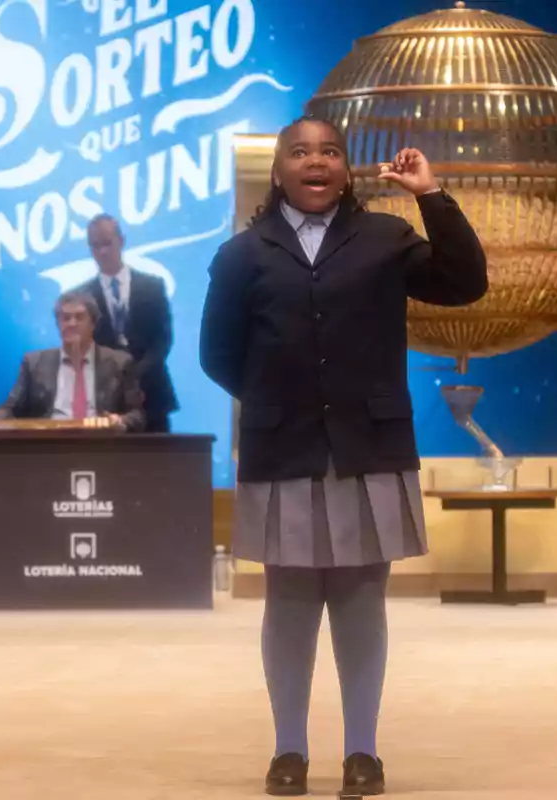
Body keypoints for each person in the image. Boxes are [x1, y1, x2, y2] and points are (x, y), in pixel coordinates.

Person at [199, 115, 487, 798]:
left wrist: (429, 194)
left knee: (362, 603)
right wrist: (282, 396)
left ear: (348, 170)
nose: (316, 162)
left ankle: (363, 753)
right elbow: (218, 353)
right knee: (290, 605)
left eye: (329, 151)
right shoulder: (243, 253)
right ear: (278, 171)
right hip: (284, 447)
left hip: (369, 447)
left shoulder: (386, 239)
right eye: (300, 152)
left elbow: (464, 281)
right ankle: (289, 752)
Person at [0, 290, 145, 432]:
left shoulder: (120, 363)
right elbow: (11, 408)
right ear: (58, 324)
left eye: (79, 317)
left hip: (101, 444)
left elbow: (138, 415)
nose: (72, 323)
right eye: (65, 318)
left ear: (94, 324)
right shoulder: (34, 363)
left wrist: (121, 421)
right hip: (49, 446)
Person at [79, 214, 177, 432]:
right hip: (105, 399)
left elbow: (163, 340)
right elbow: (84, 348)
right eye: (95, 246)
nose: (102, 251)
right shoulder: (82, 297)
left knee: (158, 463)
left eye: (107, 243)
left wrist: (135, 375)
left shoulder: (152, 286)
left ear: (121, 241)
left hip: (152, 393)